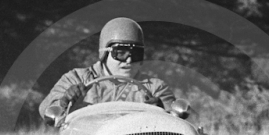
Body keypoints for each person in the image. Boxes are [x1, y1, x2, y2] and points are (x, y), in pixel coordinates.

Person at [39, 17, 175, 123]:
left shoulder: (155, 88)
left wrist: (162, 112)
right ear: (105, 52)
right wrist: (64, 102)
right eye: (121, 53)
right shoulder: (76, 78)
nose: (129, 60)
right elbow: (47, 113)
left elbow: (177, 123)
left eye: (136, 54)